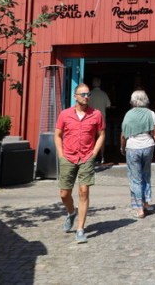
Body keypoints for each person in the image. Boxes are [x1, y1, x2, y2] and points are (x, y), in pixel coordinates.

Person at [55, 84, 105, 244]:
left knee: (84, 191)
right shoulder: (65, 114)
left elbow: (101, 134)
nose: (86, 96)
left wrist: (94, 153)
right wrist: (61, 155)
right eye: (82, 94)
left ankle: (80, 229)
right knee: (64, 194)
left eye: (88, 94)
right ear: (75, 96)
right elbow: (58, 135)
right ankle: (71, 212)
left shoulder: (96, 114)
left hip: (86, 157)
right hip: (68, 157)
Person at [120, 90, 155, 219]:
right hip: (148, 146)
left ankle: (139, 209)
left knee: (135, 178)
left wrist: (122, 147)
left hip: (132, 146)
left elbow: (123, 134)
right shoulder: (151, 113)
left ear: (133, 101)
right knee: (146, 175)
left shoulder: (128, 114)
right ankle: (146, 203)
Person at [87, 78, 112, 163]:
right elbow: (108, 105)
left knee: (91, 138)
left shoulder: (89, 94)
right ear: (100, 83)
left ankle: (92, 156)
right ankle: (102, 157)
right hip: (101, 119)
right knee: (101, 138)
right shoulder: (104, 94)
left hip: (90, 118)